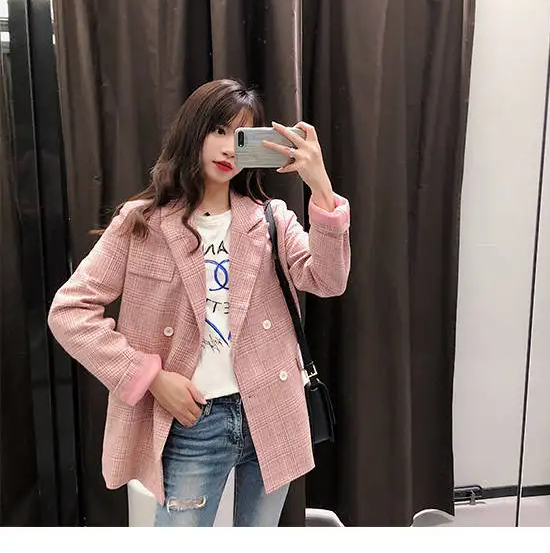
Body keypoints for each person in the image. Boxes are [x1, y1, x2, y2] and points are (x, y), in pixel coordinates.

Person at [47, 79, 351, 527]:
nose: (229, 148)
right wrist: (150, 377)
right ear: (194, 131)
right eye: (219, 130)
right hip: (193, 420)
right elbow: (69, 312)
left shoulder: (271, 218)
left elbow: (328, 280)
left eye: (241, 136)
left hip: (272, 411)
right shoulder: (143, 222)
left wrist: (320, 187)